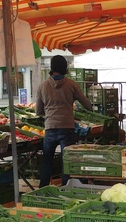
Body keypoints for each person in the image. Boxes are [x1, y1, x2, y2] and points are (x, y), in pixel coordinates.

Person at [36, 55, 93, 188]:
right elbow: (87, 105)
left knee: (47, 162)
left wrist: (50, 112)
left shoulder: (42, 86)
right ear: (65, 67)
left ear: (51, 67)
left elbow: (38, 111)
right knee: (67, 162)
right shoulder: (71, 84)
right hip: (67, 128)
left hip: (50, 128)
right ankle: (66, 189)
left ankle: (41, 191)